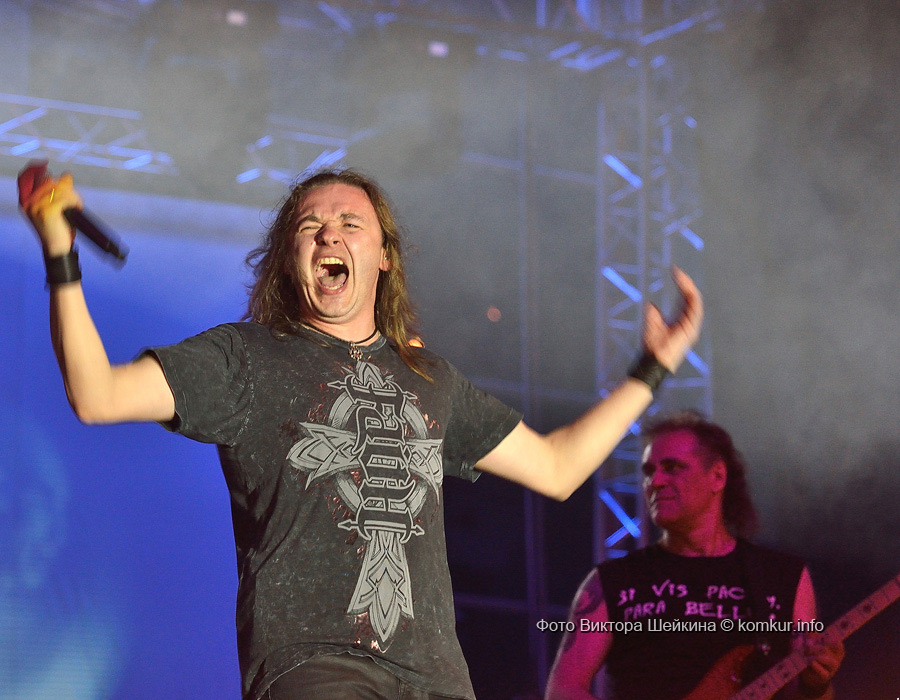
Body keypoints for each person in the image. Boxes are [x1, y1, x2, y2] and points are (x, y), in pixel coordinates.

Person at [19, 164, 702, 700]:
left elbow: (558, 466)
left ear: (382, 257)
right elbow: (98, 394)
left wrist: (653, 367)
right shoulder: (247, 358)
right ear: (289, 258)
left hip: (437, 679)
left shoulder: (429, 381)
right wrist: (60, 257)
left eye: (350, 223)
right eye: (310, 226)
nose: (329, 235)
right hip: (314, 669)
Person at [545, 412, 845, 700]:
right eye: (649, 471)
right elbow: (563, 691)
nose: (655, 481)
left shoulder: (782, 576)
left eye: (672, 467)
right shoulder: (613, 581)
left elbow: (804, 695)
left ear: (717, 477)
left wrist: (816, 685)